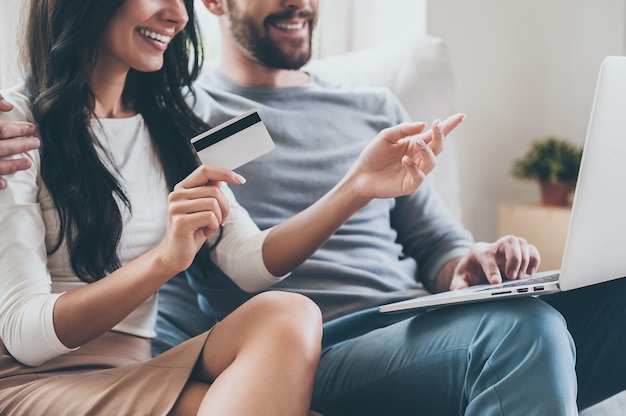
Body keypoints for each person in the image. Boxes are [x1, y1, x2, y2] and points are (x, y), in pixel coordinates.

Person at [1, 1, 624, 416]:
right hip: (320, 344)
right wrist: (169, 256)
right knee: (526, 332)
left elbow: (434, 243)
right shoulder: (205, 116)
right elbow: (232, 265)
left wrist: (454, 253)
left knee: (601, 308)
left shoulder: (367, 108)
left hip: (412, 316)